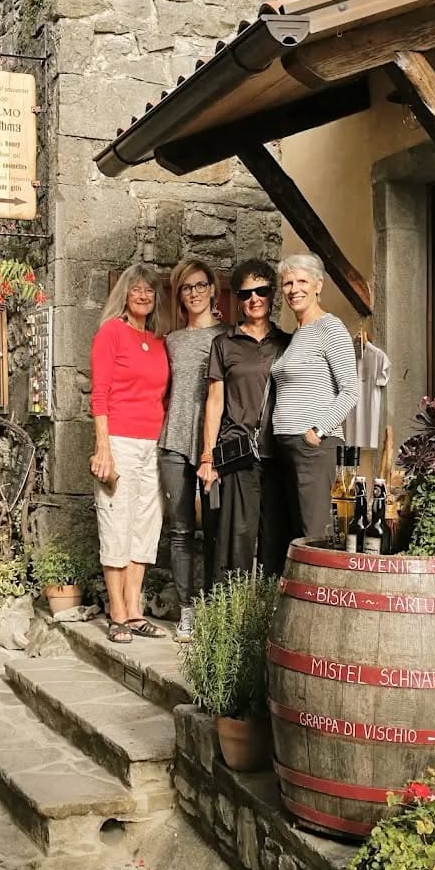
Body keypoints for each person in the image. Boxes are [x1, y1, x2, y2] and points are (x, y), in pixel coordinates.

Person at [90, 264, 170, 644]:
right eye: (136, 290)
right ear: (124, 294)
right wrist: (103, 447)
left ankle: (135, 609)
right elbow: (100, 395)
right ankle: (117, 612)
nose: (142, 296)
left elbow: (162, 396)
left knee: (145, 525)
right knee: (116, 521)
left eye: (149, 291)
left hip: (152, 443)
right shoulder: (111, 333)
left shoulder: (158, 340)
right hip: (119, 441)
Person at [197, 259, 292, 579]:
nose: (254, 299)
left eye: (261, 290)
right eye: (245, 293)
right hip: (238, 452)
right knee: (236, 539)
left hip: (279, 452)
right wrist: (208, 456)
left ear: (272, 294)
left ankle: (268, 612)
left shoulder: (287, 343)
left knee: (275, 539)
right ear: (237, 299)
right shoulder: (224, 344)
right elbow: (214, 402)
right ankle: (233, 615)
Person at [158, 257, 228, 643]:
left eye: (201, 285)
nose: (195, 293)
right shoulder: (171, 340)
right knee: (181, 530)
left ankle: (216, 606)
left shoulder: (228, 336)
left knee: (217, 528)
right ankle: (187, 611)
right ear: (179, 295)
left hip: (214, 446)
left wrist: (214, 448)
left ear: (213, 289)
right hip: (173, 441)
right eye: (187, 287)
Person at [271, 252, 359, 540]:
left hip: (313, 448)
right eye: (287, 283)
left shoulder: (329, 328)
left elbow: (351, 389)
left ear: (318, 285)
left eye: (302, 281)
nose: (294, 289)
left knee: (315, 532)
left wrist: (317, 432)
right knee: (295, 533)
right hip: (288, 447)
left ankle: (322, 587)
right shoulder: (299, 333)